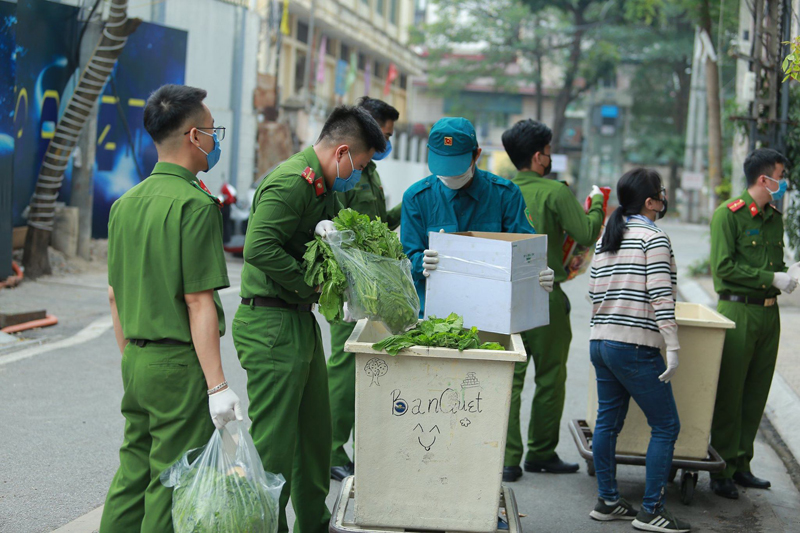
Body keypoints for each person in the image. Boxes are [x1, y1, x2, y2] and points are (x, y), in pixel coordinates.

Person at [233, 105, 386, 532]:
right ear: (341, 152)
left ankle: (313, 525)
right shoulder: (290, 183)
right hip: (270, 324)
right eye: (361, 164)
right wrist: (312, 286)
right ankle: (263, 526)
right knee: (275, 448)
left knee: (314, 439)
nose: (360, 174)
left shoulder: (323, 188)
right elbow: (258, 248)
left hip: (298, 321)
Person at [100, 84, 242, 533]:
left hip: (136, 358)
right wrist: (218, 386)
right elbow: (198, 301)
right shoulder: (196, 205)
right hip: (177, 365)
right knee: (170, 479)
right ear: (193, 136)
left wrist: (130, 356)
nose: (215, 140)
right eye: (211, 130)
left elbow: (113, 294)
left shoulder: (124, 205)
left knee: (132, 474)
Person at [500, 119, 606, 480]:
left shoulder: (500, 190)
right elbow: (587, 232)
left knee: (509, 379)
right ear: (538, 157)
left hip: (504, 297)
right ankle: (541, 452)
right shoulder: (555, 192)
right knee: (549, 376)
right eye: (547, 151)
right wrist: (597, 204)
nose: (549, 157)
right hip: (545, 296)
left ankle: (507, 459)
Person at [588, 168, 689, 533]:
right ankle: (651, 511)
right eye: (661, 193)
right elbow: (661, 296)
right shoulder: (654, 237)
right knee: (666, 425)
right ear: (651, 202)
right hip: (633, 346)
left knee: (607, 423)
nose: (664, 197)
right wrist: (672, 346)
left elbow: (593, 293)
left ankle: (608, 500)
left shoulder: (608, 237)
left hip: (600, 342)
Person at [709, 148, 799, 499]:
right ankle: (721, 468)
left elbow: (774, 266)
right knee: (730, 393)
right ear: (765, 179)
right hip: (738, 311)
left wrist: (786, 276)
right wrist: (770, 277)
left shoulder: (773, 218)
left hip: (768, 314)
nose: (784, 183)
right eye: (780, 175)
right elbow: (723, 270)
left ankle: (742, 464)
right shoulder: (728, 215)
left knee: (755, 392)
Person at [401, 117, 555, 311]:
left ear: (476, 155)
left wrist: (539, 271)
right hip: (433, 314)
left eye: (456, 168)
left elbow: (526, 250)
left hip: (492, 312)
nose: (449, 176)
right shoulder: (417, 198)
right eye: (443, 167)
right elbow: (406, 259)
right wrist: (420, 262)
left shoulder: (505, 195)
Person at [328, 96, 402, 481]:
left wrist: (409, 205)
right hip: (351, 280)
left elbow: (377, 225)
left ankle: (360, 445)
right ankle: (331, 449)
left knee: (366, 364)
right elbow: (338, 227)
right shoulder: (346, 170)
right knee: (342, 366)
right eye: (383, 135)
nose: (386, 143)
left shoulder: (369, 170)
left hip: (370, 281)